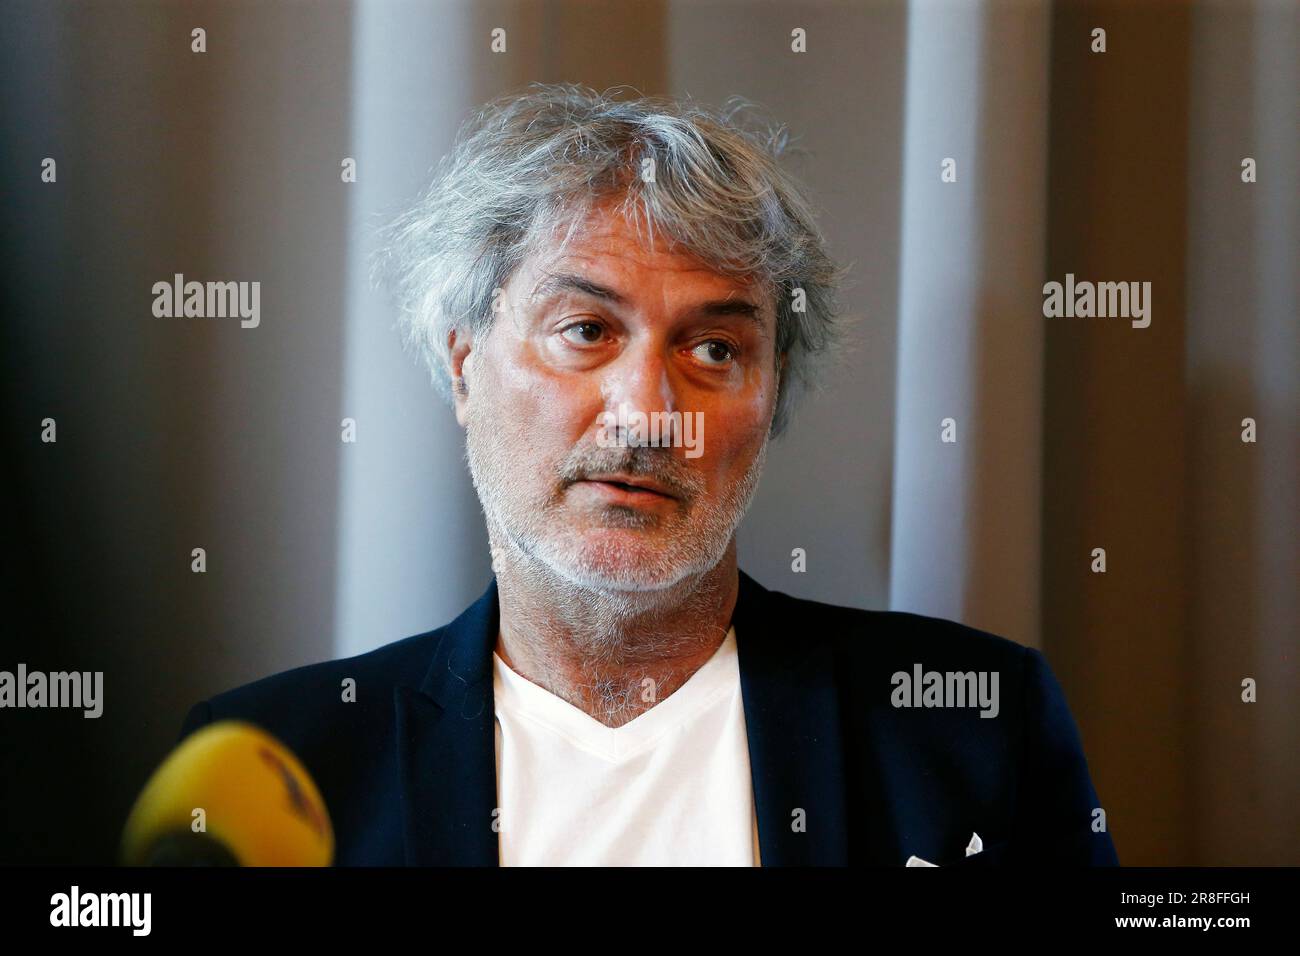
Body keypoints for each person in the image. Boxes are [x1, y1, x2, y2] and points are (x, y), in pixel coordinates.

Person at [179, 83, 1118, 867]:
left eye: (713, 348)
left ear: (772, 397)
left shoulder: (975, 723)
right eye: (586, 330)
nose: (645, 413)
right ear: (465, 366)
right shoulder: (280, 763)